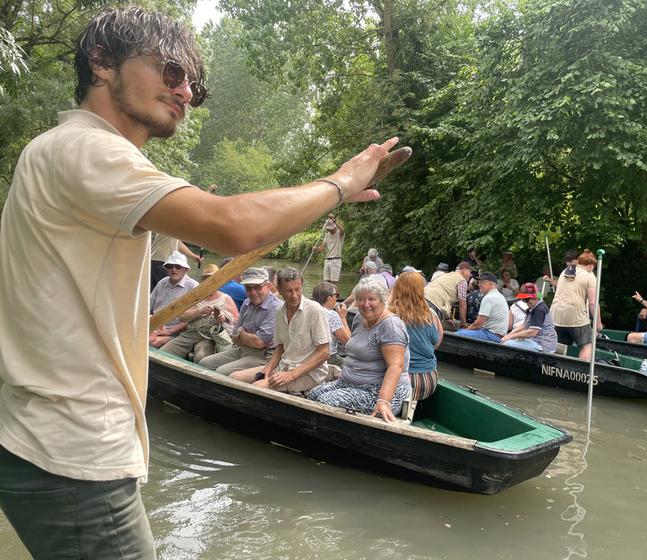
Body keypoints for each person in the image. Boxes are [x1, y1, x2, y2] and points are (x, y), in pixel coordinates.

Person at [0, 7, 409, 556]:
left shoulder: (60, 153)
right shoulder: (87, 150)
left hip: (47, 438)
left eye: (192, 83)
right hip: (71, 451)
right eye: (170, 71)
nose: (185, 91)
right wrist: (338, 182)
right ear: (101, 62)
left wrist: (317, 202)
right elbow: (234, 224)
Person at [308, 277, 411, 422]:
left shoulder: (390, 326)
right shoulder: (359, 318)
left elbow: (396, 366)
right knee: (313, 394)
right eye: (361, 299)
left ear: (383, 300)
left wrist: (384, 401)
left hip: (379, 391)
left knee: (326, 400)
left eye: (371, 299)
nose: (365, 304)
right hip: (351, 383)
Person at [231, 268, 330, 393]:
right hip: (284, 366)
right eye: (289, 291)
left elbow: (324, 352)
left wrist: (291, 375)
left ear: (302, 286)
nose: (294, 295)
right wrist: (268, 368)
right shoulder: (280, 311)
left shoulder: (315, 310)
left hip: (310, 373)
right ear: (279, 290)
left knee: (257, 387)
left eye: (298, 289)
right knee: (234, 378)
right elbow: (281, 346)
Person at [199, 268, 283, 375]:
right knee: (204, 364)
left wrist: (242, 334)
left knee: (222, 372)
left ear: (268, 286)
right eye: (248, 288)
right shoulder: (247, 302)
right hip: (241, 349)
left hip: (262, 356)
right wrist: (245, 336)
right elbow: (234, 337)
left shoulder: (276, 307)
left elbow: (259, 343)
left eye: (257, 288)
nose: (253, 293)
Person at [159, 264, 239, 363]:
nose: (211, 283)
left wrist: (224, 317)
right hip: (190, 334)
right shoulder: (196, 297)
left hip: (211, 338)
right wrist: (200, 311)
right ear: (203, 281)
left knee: (201, 357)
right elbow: (182, 317)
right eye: (207, 280)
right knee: (162, 353)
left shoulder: (225, 298)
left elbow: (236, 321)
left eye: (214, 280)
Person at [388, 271, 444, 400]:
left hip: (402, 382)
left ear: (397, 288)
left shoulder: (389, 314)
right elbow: (436, 343)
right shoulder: (432, 314)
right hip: (429, 380)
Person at [550, 249, 602, 361]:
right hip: (575, 316)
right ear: (591, 265)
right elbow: (593, 303)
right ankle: (582, 372)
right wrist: (598, 324)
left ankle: (556, 369)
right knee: (587, 345)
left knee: (560, 346)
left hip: (556, 315)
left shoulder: (565, 271)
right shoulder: (590, 277)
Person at [149, 250, 199, 348]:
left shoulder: (193, 287)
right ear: (166, 268)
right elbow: (148, 307)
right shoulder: (162, 283)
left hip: (176, 332)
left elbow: (193, 319)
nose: (174, 270)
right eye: (170, 266)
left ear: (186, 269)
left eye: (178, 267)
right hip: (154, 327)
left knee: (152, 343)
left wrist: (169, 331)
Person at [501, 283, 558, 353]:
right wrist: (508, 335)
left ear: (534, 298)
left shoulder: (539, 309)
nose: (525, 302)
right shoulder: (533, 308)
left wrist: (511, 337)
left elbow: (532, 332)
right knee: (508, 341)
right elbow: (524, 326)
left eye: (526, 299)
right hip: (535, 341)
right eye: (524, 300)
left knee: (508, 344)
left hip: (543, 345)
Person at [455, 272, 509, 342]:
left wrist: (467, 329)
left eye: (482, 282)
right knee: (462, 330)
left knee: (457, 334)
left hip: (492, 335)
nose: (479, 284)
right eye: (479, 282)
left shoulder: (489, 298)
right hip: (497, 334)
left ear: (490, 284)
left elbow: (478, 324)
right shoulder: (499, 296)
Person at [312, 281, 351, 367]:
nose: (337, 298)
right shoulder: (332, 315)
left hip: (310, 355)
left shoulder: (309, 310)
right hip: (327, 358)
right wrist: (343, 318)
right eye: (336, 295)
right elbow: (349, 343)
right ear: (329, 298)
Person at [423, 261, 473, 326]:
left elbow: (446, 300)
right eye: (470, 272)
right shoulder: (462, 280)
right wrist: (464, 323)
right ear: (463, 270)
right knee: (430, 328)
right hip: (433, 302)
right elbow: (462, 304)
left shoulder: (447, 275)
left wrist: (447, 318)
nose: (471, 275)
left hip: (422, 296)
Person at [314, 213, 345, 286]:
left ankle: (335, 297)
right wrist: (316, 249)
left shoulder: (339, 234)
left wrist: (334, 220)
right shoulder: (327, 235)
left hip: (335, 260)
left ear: (334, 227)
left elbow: (342, 230)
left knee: (333, 284)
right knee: (326, 283)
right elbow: (322, 247)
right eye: (328, 229)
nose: (329, 230)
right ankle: (327, 297)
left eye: (330, 229)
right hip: (327, 260)